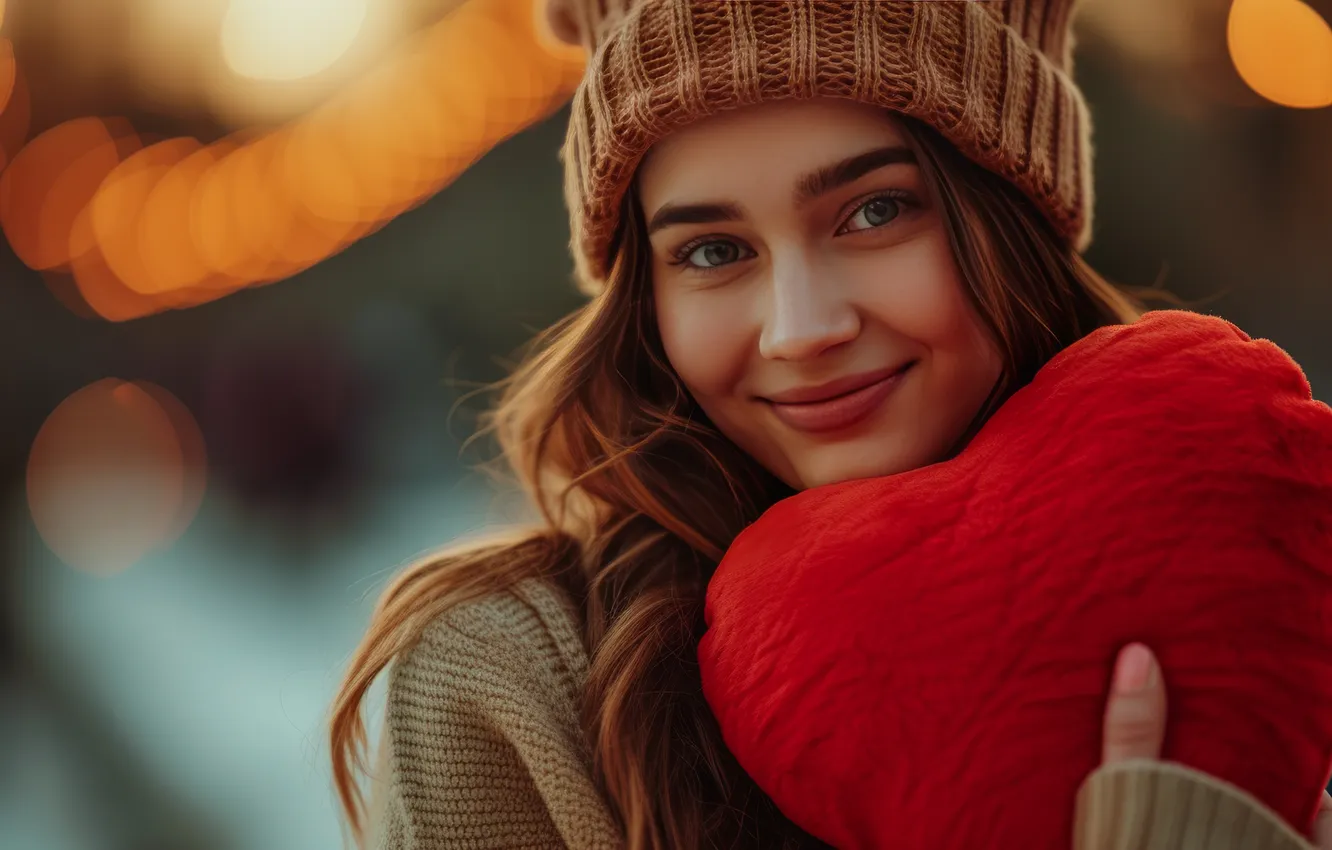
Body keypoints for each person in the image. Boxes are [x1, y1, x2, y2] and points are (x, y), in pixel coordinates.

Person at [329, 1, 1332, 847]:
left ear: (1012, 217)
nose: (802, 329)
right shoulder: (510, 684)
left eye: (875, 212)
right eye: (714, 251)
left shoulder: (1236, 572)